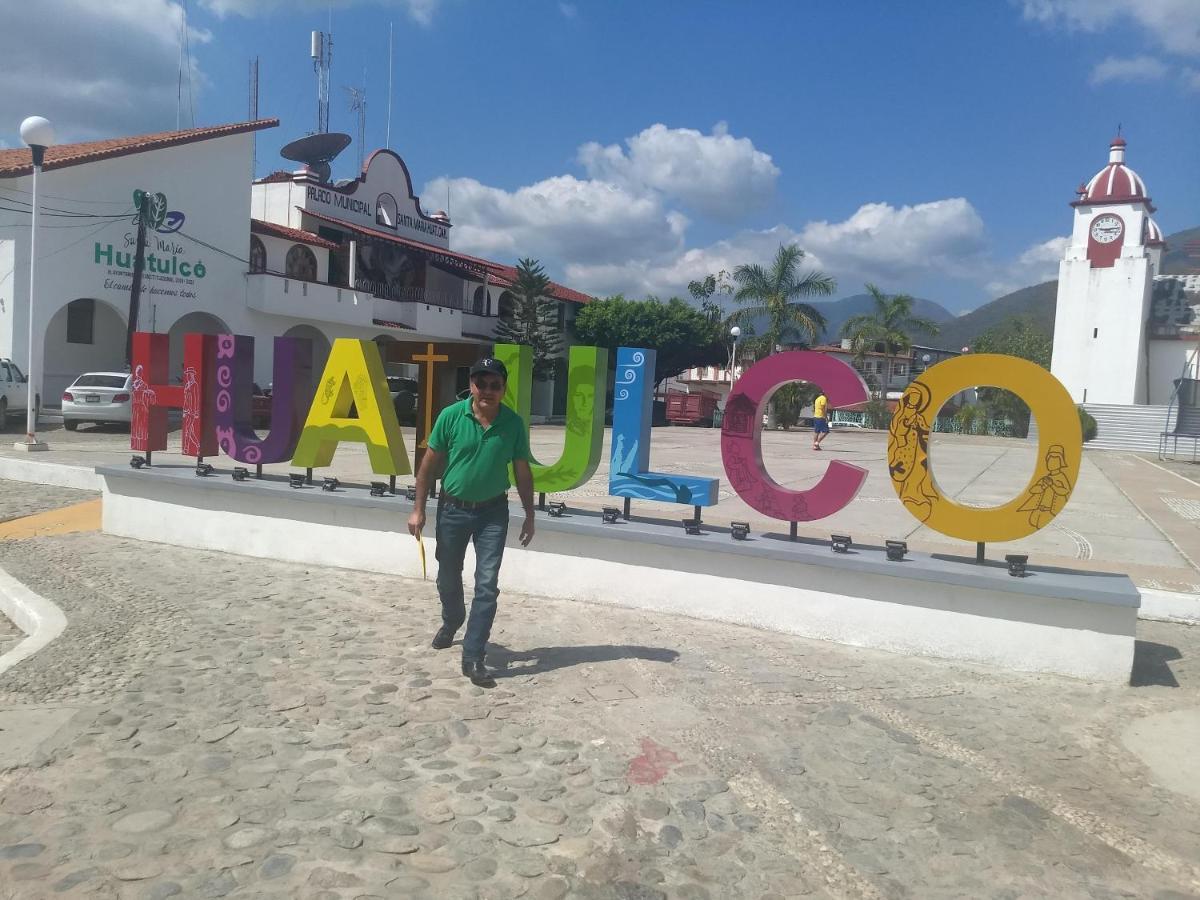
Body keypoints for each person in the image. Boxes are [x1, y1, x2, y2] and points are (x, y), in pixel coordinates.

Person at [407, 357, 536, 687]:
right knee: (448, 575)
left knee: (486, 584)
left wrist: (530, 514)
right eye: (482, 384)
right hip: (453, 510)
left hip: (493, 513)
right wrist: (418, 509)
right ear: (472, 385)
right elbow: (427, 467)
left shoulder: (513, 424)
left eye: (495, 385)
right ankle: (452, 620)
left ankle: (473, 655)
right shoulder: (451, 417)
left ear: (504, 389)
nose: (488, 391)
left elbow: (522, 471)